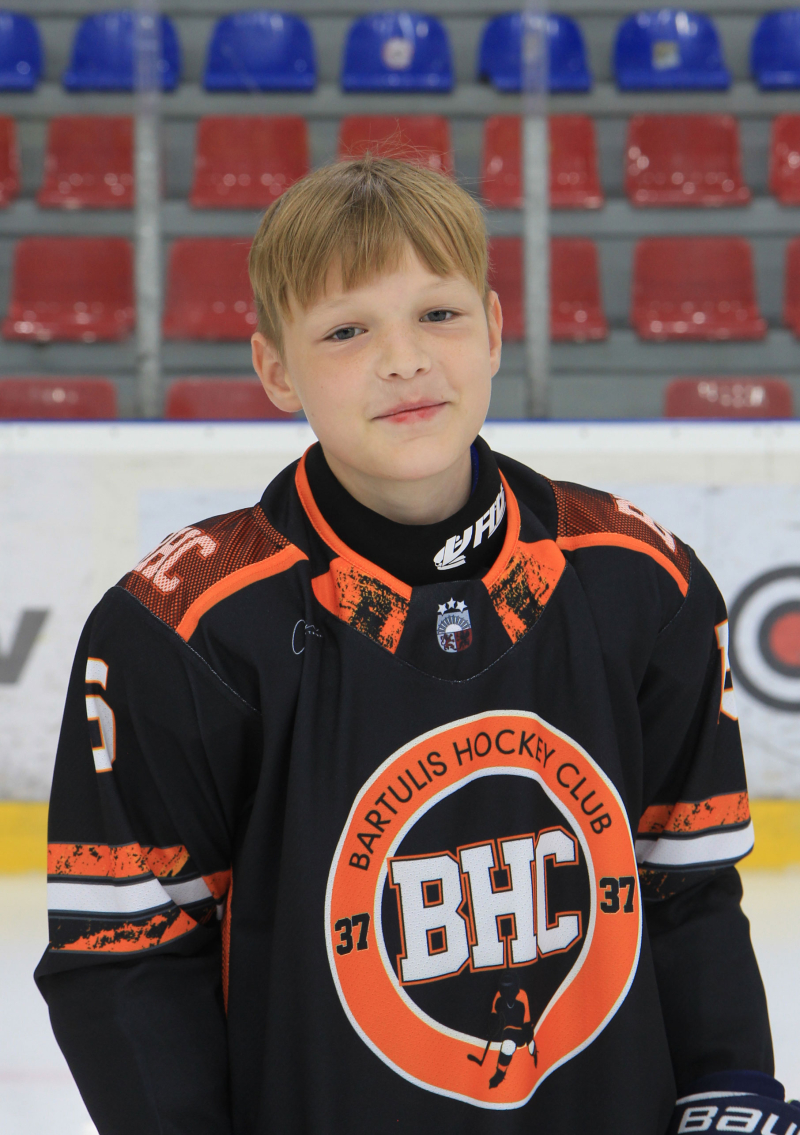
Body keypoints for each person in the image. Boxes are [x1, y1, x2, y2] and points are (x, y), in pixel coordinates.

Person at [36, 157, 787, 1134]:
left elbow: (686, 887)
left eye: (438, 314)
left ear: (494, 332)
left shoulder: (641, 579)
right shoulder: (182, 630)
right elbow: (124, 958)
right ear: (274, 369)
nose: (404, 359)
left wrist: (729, 1093)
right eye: (346, 331)